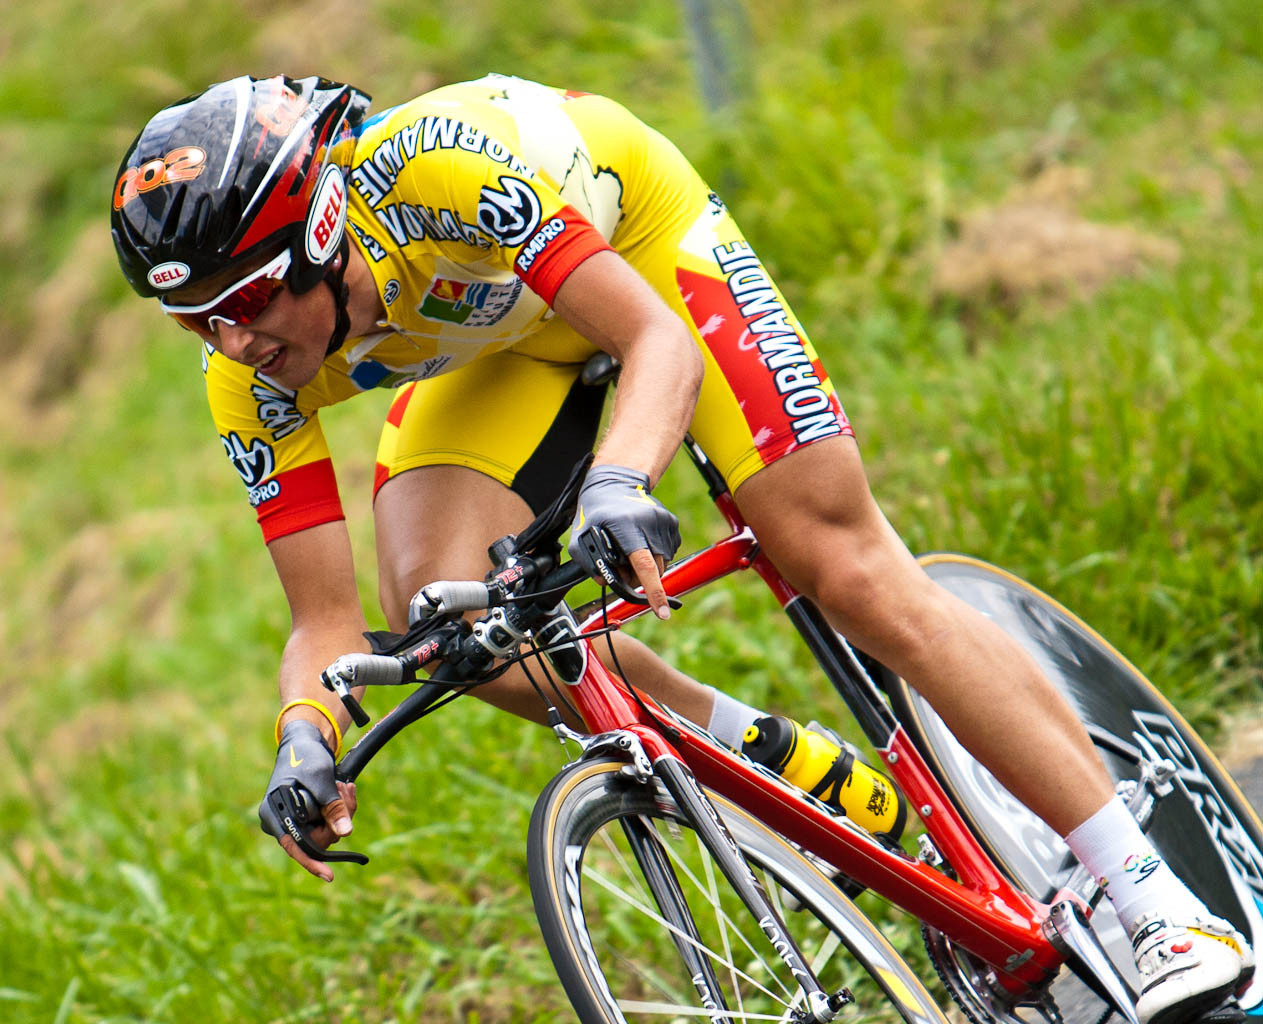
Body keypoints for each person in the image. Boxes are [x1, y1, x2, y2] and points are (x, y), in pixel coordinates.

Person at [110, 72, 1250, 1024]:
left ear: (320, 236)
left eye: (246, 303)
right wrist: (304, 738)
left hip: (637, 255)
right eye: (193, 321)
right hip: (498, 346)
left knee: (835, 557)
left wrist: (621, 480)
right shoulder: (242, 379)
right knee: (453, 622)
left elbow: (657, 341)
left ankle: (1149, 894)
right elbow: (322, 621)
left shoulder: (442, 175)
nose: (233, 342)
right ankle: (755, 749)